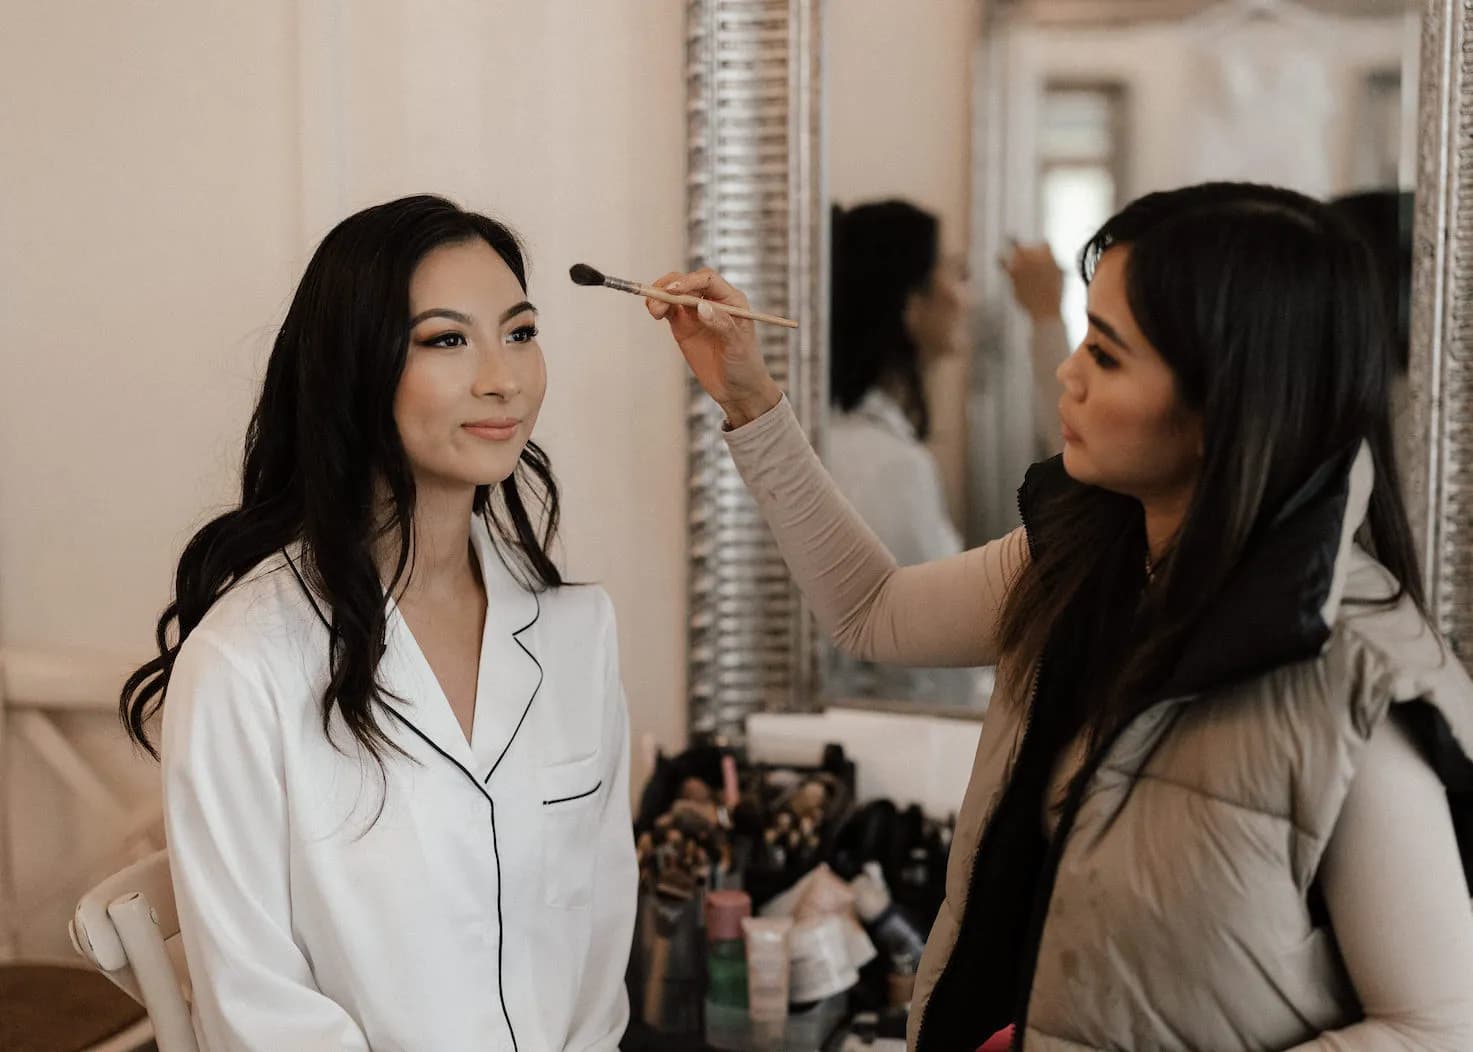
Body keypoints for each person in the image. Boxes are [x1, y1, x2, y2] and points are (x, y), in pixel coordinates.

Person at [649, 182, 1473, 1050]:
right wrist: (748, 397)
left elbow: (1436, 1026)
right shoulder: (1081, 559)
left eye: (1106, 355)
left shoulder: (1357, 672)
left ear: (1224, 403)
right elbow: (870, 610)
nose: (1065, 370)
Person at [120, 195, 636, 1051]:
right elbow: (257, 1010)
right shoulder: (246, 662)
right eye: (445, 340)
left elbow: (598, 941)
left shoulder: (576, 633)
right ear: (355, 368)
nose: (502, 377)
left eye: (518, 331)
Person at [826, 200, 1066, 706]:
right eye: (958, 274)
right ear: (910, 303)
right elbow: (926, 659)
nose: (971, 299)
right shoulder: (890, 467)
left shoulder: (860, 445)